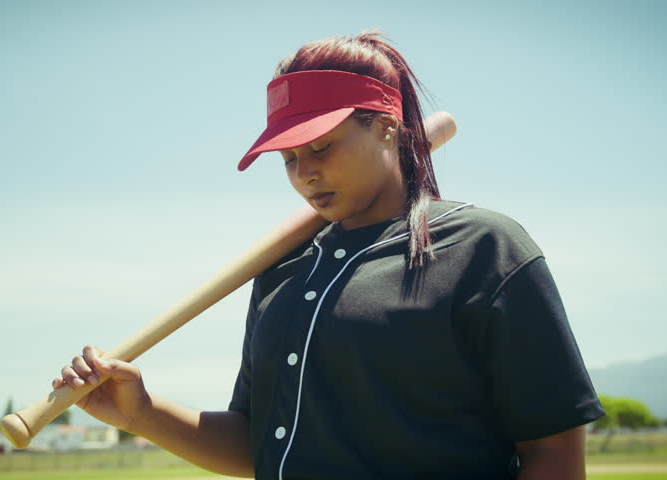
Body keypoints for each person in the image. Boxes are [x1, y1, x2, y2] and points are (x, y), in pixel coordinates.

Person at [53, 31, 605, 480]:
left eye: (321, 146)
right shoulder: (284, 269)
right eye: (289, 158)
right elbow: (261, 447)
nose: (305, 172)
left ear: (387, 126)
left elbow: (554, 455)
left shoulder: (484, 249)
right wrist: (140, 413)